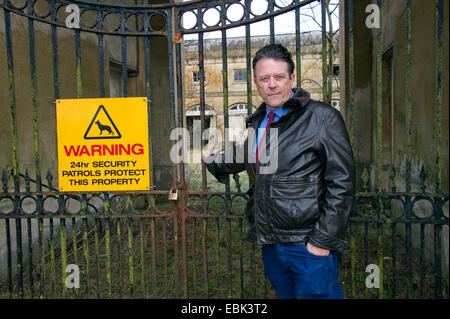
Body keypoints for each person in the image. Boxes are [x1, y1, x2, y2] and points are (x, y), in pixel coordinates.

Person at [202, 44, 355, 299]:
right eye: (264, 78)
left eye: (279, 77)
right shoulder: (261, 121)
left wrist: (321, 241)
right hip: (271, 243)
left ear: (292, 79)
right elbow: (246, 154)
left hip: (307, 244)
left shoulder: (321, 118)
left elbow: (343, 182)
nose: (271, 84)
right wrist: (212, 160)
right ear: (256, 82)